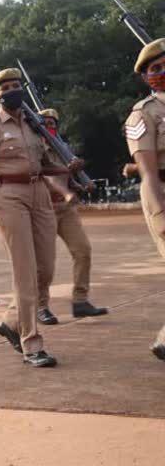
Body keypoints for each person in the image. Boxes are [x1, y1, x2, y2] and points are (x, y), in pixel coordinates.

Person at [0, 68, 81, 367]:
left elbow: (46, 164)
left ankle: (10, 322)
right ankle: (31, 344)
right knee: (25, 270)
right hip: (8, 196)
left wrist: (69, 170)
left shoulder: (34, 127)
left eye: (16, 85)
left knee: (44, 269)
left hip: (40, 195)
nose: (12, 90)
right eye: (5, 87)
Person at [36, 109, 107, 324]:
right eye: (45, 122)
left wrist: (79, 182)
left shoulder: (62, 147)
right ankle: (41, 306)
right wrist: (66, 192)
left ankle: (81, 300)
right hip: (43, 208)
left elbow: (65, 175)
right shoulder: (35, 148)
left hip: (66, 210)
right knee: (45, 263)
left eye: (53, 122)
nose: (50, 125)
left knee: (83, 251)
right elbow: (47, 176)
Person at [123, 38, 165, 361]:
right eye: (155, 68)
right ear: (145, 77)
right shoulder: (142, 115)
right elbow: (148, 172)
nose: (162, 71)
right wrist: (160, 210)